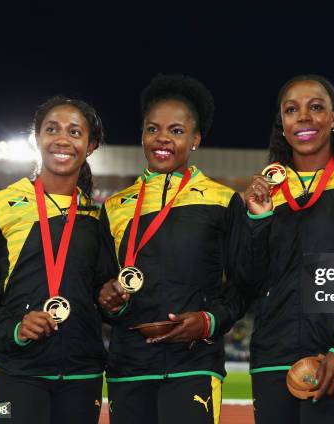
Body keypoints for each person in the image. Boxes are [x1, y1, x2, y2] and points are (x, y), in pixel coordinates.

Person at [97, 74, 246, 424]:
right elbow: (101, 288)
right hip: (128, 365)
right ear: (142, 135)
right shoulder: (116, 206)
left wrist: (210, 322)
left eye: (176, 131)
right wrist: (109, 302)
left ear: (196, 139)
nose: (162, 138)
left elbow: (243, 283)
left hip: (193, 364)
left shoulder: (222, 201)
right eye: (153, 129)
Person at [0, 96, 106, 424]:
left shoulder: (98, 216)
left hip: (82, 376)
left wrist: (114, 297)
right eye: (52, 129)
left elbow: (101, 292)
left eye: (75, 132)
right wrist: (12, 328)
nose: (63, 139)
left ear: (91, 145)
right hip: (15, 371)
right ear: (36, 138)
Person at [241, 74, 334, 424]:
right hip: (272, 359)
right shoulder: (266, 193)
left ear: (333, 119)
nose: (303, 117)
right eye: (291, 110)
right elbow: (249, 281)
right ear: (282, 123)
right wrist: (256, 222)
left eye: (316, 107)